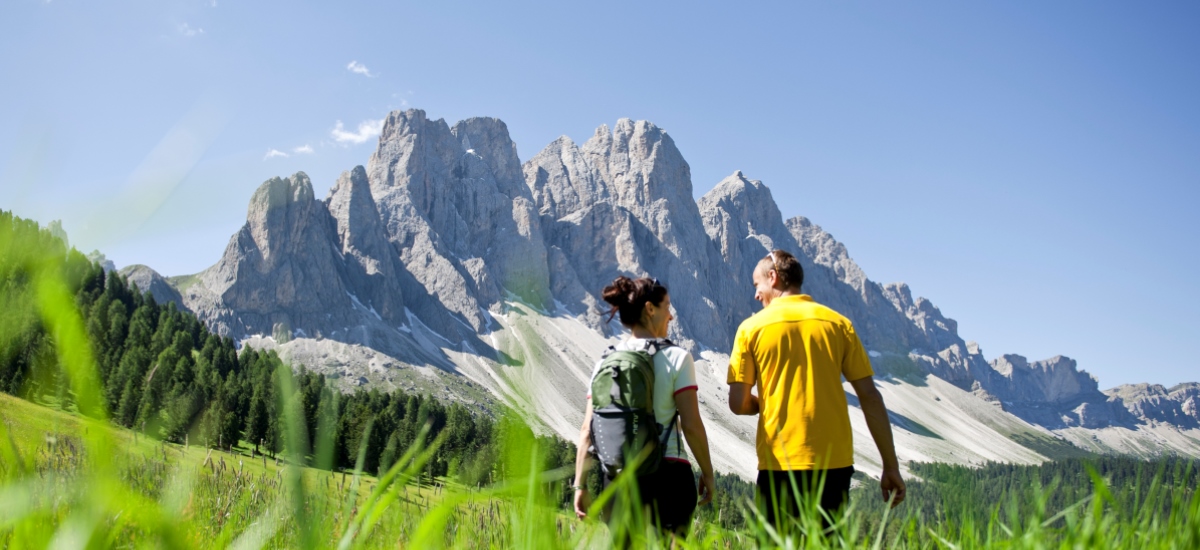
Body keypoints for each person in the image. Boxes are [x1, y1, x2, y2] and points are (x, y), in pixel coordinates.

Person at [727, 250, 906, 529]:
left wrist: (770, 403)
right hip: (833, 466)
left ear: (773, 277)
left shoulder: (751, 329)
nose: (755, 294)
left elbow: (738, 403)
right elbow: (870, 396)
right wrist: (890, 466)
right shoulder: (838, 324)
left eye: (756, 285)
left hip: (778, 464)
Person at [572, 275, 717, 536]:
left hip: (617, 482)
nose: (671, 316)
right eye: (667, 307)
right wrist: (708, 473)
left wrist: (580, 485)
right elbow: (692, 425)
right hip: (669, 477)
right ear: (650, 309)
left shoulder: (605, 362)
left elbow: (586, 431)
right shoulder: (678, 358)